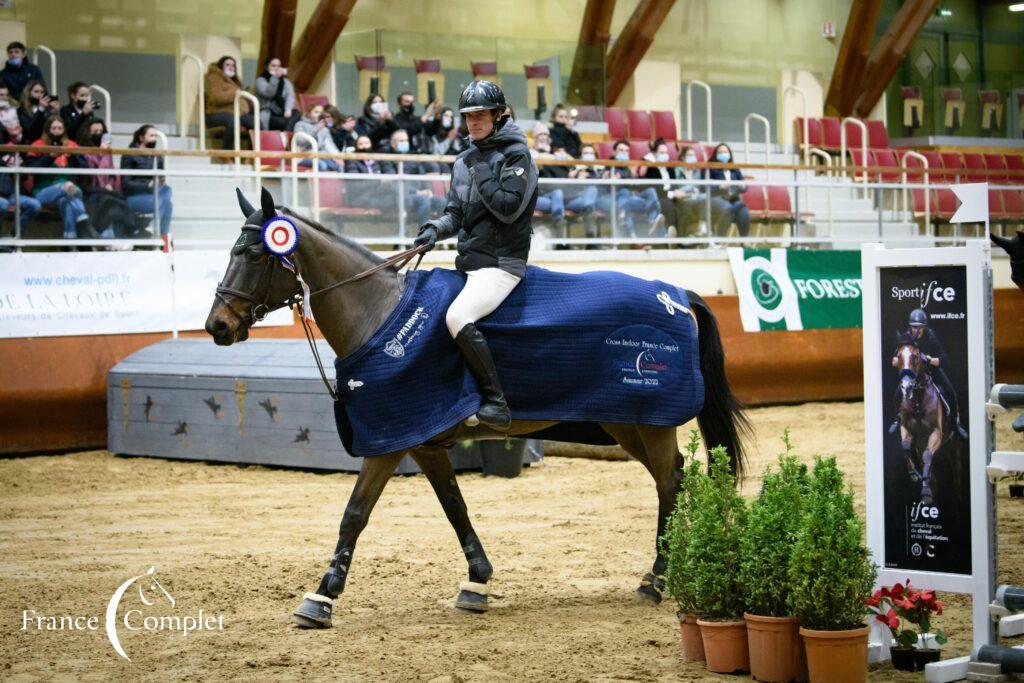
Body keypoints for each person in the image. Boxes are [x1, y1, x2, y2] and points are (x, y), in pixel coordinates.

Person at [413, 80, 537, 431]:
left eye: (481, 115)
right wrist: (435, 229)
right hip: (470, 263)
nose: (473, 123)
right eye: (468, 116)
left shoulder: (517, 156)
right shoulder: (464, 160)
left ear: (499, 116)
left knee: (458, 316)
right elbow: (456, 213)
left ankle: (497, 402)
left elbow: (509, 209)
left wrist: (482, 167)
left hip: (502, 264)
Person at [889, 308, 968, 440]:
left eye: (920, 328)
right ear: (910, 327)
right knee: (898, 393)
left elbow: (944, 360)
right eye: (914, 327)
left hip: (931, 371)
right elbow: (894, 360)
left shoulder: (931, 337)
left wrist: (930, 360)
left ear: (924, 327)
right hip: (912, 374)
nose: (917, 331)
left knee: (949, 391)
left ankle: (955, 424)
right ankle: (897, 419)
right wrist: (900, 361)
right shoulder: (905, 338)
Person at [26, 115, 94, 239]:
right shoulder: (37, 144)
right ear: (47, 130)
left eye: (60, 128)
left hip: (69, 190)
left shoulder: (71, 145)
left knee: (67, 202)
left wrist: (73, 155)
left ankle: (70, 240)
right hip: (44, 190)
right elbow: (32, 169)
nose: (56, 131)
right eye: (53, 128)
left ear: (64, 130)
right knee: (69, 188)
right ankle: (85, 222)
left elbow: (84, 168)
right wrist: (50, 156)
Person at [597, 139, 663, 238]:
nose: (624, 153)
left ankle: (653, 221)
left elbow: (634, 184)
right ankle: (646, 233)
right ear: (614, 152)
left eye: (626, 151)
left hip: (631, 197)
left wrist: (639, 176)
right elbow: (605, 183)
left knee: (651, 192)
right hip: (618, 199)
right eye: (621, 150)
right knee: (625, 201)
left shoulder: (627, 168)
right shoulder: (609, 166)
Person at [381, 128, 444, 227]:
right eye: (402, 141)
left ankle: (445, 235)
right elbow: (394, 181)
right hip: (400, 196)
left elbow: (422, 176)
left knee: (442, 201)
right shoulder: (387, 158)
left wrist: (428, 190)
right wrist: (416, 192)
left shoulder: (411, 157)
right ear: (393, 143)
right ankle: (424, 236)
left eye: (406, 140)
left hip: (419, 194)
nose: (405, 143)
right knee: (424, 200)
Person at [120, 124, 173, 242]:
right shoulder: (130, 154)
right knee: (164, 203)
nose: (154, 138)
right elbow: (125, 183)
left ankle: (159, 234)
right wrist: (146, 185)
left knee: (167, 193)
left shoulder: (157, 156)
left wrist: (160, 180)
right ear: (141, 138)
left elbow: (161, 176)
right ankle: (161, 235)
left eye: (155, 136)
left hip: (153, 194)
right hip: (135, 196)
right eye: (151, 135)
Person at [669, 145, 729, 236]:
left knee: (706, 197)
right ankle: (694, 234)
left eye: (694, 155)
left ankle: (704, 228)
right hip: (682, 199)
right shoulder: (676, 171)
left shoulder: (697, 172)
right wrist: (691, 188)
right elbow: (676, 190)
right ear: (683, 158)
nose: (693, 158)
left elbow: (700, 188)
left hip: (696, 198)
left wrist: (695, 189)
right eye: (689, 155)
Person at [204, 56, 254, 151]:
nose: (231, 67)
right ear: (221, 66)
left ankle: (250, 155)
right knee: (233, 121)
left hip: (237, 113)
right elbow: (216, 97)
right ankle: (226, 152)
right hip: (217, 113)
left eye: (233, 65)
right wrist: (236, 94)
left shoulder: (235, 81)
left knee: (257, 123)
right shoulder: (213, 77)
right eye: (227, 65)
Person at [0, 124, 41, 236]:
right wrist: (2, 163)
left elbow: (23, 178)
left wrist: (18, 168)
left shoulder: (11, 151)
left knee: (34, 205)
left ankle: (13, 237)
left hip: (10, 195)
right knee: (2, 204)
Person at [702, 142, 750, 237]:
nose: (723, 154)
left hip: (733, 198)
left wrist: (743, 187)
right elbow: (704, 187)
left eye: (725, 152)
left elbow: (744, 185)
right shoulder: (709, 168)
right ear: (715, 155)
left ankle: (744, 240)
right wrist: (719, 186)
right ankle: (720, 238)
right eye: (720, 152)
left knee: (744, 211)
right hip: (716, 198)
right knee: (729, 208)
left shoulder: (735, 168)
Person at [640, 138, 678, 237]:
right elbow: (653, 188)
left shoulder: (669, 167)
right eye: (661, 152)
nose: (664, 155)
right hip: (660, 196)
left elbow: (675, 184)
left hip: (672, 194)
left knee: (684, 203)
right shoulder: (651, 168)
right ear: (655, 154)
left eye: (666, 152)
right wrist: (671, 194)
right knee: (668, 204)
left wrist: (677, 192)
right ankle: (668, 235)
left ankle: (684, 237)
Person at [254, 57, 299, 132]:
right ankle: (286, 137)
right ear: (267, 67)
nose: (277, 68)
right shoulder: (260, 80)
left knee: (297, 114)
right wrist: (275, 78)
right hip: (269, 113)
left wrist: (288, 109)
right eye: (273, 66)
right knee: (288, 123)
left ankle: (285, 136)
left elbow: (290, 96)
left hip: (283, 111)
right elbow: (269, 94)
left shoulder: (285, 81)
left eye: (279, 66)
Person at [293, 103, 341, 171]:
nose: (319, 114)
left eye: (321, 113)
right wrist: (315, 129)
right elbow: (300, 140)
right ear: (309, 113)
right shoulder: (300, 124)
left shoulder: (324, 128)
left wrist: (338, 157)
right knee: (322, 165)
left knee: (339, 166)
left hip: (320, 156)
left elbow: (329, 145)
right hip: (303, 157)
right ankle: (315, 182)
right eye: (316, 112)